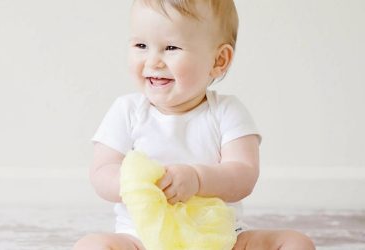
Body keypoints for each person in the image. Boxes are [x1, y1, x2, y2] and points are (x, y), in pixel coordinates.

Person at [74, 0, 316, 249]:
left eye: (171, 47)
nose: (153, 60)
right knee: (91, 245)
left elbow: (244, 174)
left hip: (219, 238)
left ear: (218, 60)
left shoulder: (227, 112)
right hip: (142, 239)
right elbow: (102, 171)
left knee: (296, 243)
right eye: (141, 45)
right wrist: (136, 184)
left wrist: (198, 179)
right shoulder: (126, 111)